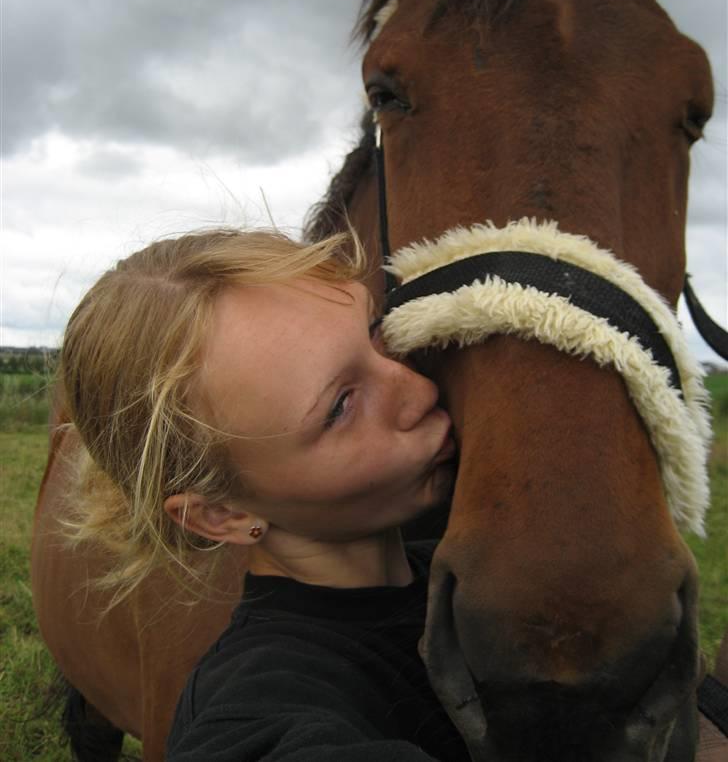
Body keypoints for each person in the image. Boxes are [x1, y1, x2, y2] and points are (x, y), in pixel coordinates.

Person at [61, 227, 468, 761]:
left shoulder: (460, 575)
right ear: (222, 514)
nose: (420, 388)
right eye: (340, 407)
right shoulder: (257, 714)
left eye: (374, 332)